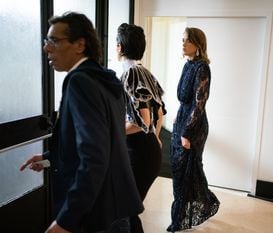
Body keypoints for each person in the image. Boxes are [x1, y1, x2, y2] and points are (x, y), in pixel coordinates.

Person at [20, 12, 143, 233]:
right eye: (46, 41)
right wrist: (49, 158)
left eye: (54, 41)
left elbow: (94, 156)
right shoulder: (105, 77)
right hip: (115, 206)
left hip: (95, 212)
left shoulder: (79, 82)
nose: (46, 48)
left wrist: (66, 219)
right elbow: (102, 142)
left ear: (79, 44)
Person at [167, 27, 220, 232]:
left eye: (186, 40)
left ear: (197, 44)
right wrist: (177, 116)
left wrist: (187, 133)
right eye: (182, 40)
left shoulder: (202, 68)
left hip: (194, 127)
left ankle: (178, 218)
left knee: (186, 172)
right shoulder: (187, 65)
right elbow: (185, 99)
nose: (183, 44)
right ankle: (206, 200)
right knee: (181, 170)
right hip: (182, 120)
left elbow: (199, 103)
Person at [116, 23, 167, 233]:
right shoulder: (145, 73)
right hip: (147, 152)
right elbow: (159, 114)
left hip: (140, 154)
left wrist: (113, 132)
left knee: (124, 210)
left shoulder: (130, 75)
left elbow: (142, 120)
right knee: (127, 209)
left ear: (119, 47)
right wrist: (155, 138)